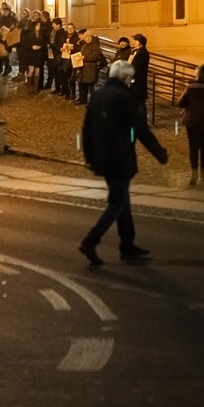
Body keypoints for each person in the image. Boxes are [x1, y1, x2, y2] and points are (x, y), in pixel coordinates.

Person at [79, 60, 169, 264]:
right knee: (117, 203)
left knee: (123, 202)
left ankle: (127, 244)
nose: (132, 82)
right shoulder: (124, 97)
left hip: (103, 157)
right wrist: (159, 153)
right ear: (126, 78)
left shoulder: (98, 95)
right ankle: (91, 240)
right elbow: (140, 129)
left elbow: (87, 129)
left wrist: (89, 157)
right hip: (120, 157)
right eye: (131, 78)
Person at [177, 65, 204, 186]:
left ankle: (194, 173)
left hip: (192, 121)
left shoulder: (190, 88)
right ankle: (203, 173)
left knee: (193, 147)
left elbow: (180, 103)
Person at [77, 30, 103, 104]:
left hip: (91, 68)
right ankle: (83, 99)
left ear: (92, 37)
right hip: (83, 68)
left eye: (89, 37)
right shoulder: (84, 45)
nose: (87, 38)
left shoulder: (95, 45)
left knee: (91, 86)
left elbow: (95, 56)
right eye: (86, 37)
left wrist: (85, 57)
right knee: (82, 85)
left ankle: (94, 102)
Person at [129, 33, 151, 108]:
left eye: (134, 40)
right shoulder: (137, 51)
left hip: (138, 81)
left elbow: (136, 67)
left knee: (139, 102)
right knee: (137, 101)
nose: (132, 41)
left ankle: (141, 119)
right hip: (136, 81)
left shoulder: (142, 53)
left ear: (138, 42)